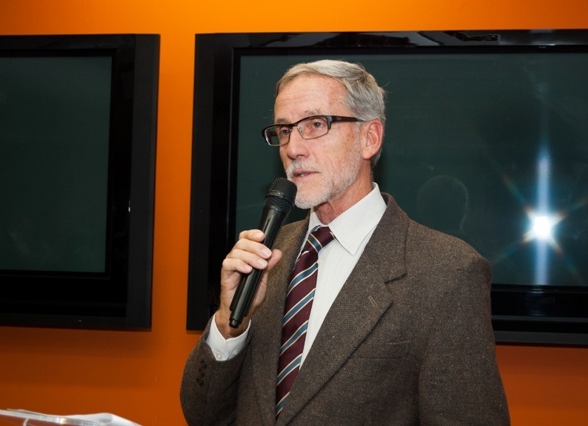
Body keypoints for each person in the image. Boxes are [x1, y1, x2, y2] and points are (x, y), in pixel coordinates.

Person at [180, 59, 510, 425]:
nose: (293, 148)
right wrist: (229, 324)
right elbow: (203, 413)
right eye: (285, 130)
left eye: (315, 125)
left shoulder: (446, 273)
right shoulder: (265, 255)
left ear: (370, 137)